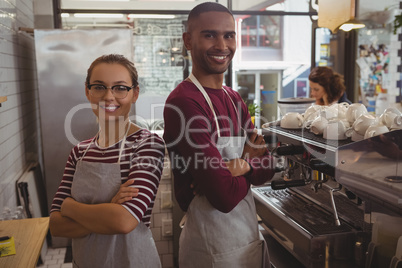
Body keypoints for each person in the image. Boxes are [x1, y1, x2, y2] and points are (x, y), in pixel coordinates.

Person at [163, 2, 275, 267]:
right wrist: (244, 166)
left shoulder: (234, 98)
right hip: (210, 249)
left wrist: (240, 166)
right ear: (188, 41)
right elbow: (223, 197)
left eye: (229, 35)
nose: (222, 45)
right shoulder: (185, 102)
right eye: (209, 35)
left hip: (246, 239)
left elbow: (268, 166)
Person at [49, 54, 165, 267]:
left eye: (120, 88)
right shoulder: (80, 151)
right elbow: (56, 226)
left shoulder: (147, 145)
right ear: (88, 91)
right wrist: (108, 207)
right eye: (99, 87)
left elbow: (123, 221)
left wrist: (70, 207)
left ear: (135, 93)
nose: (109, 97)